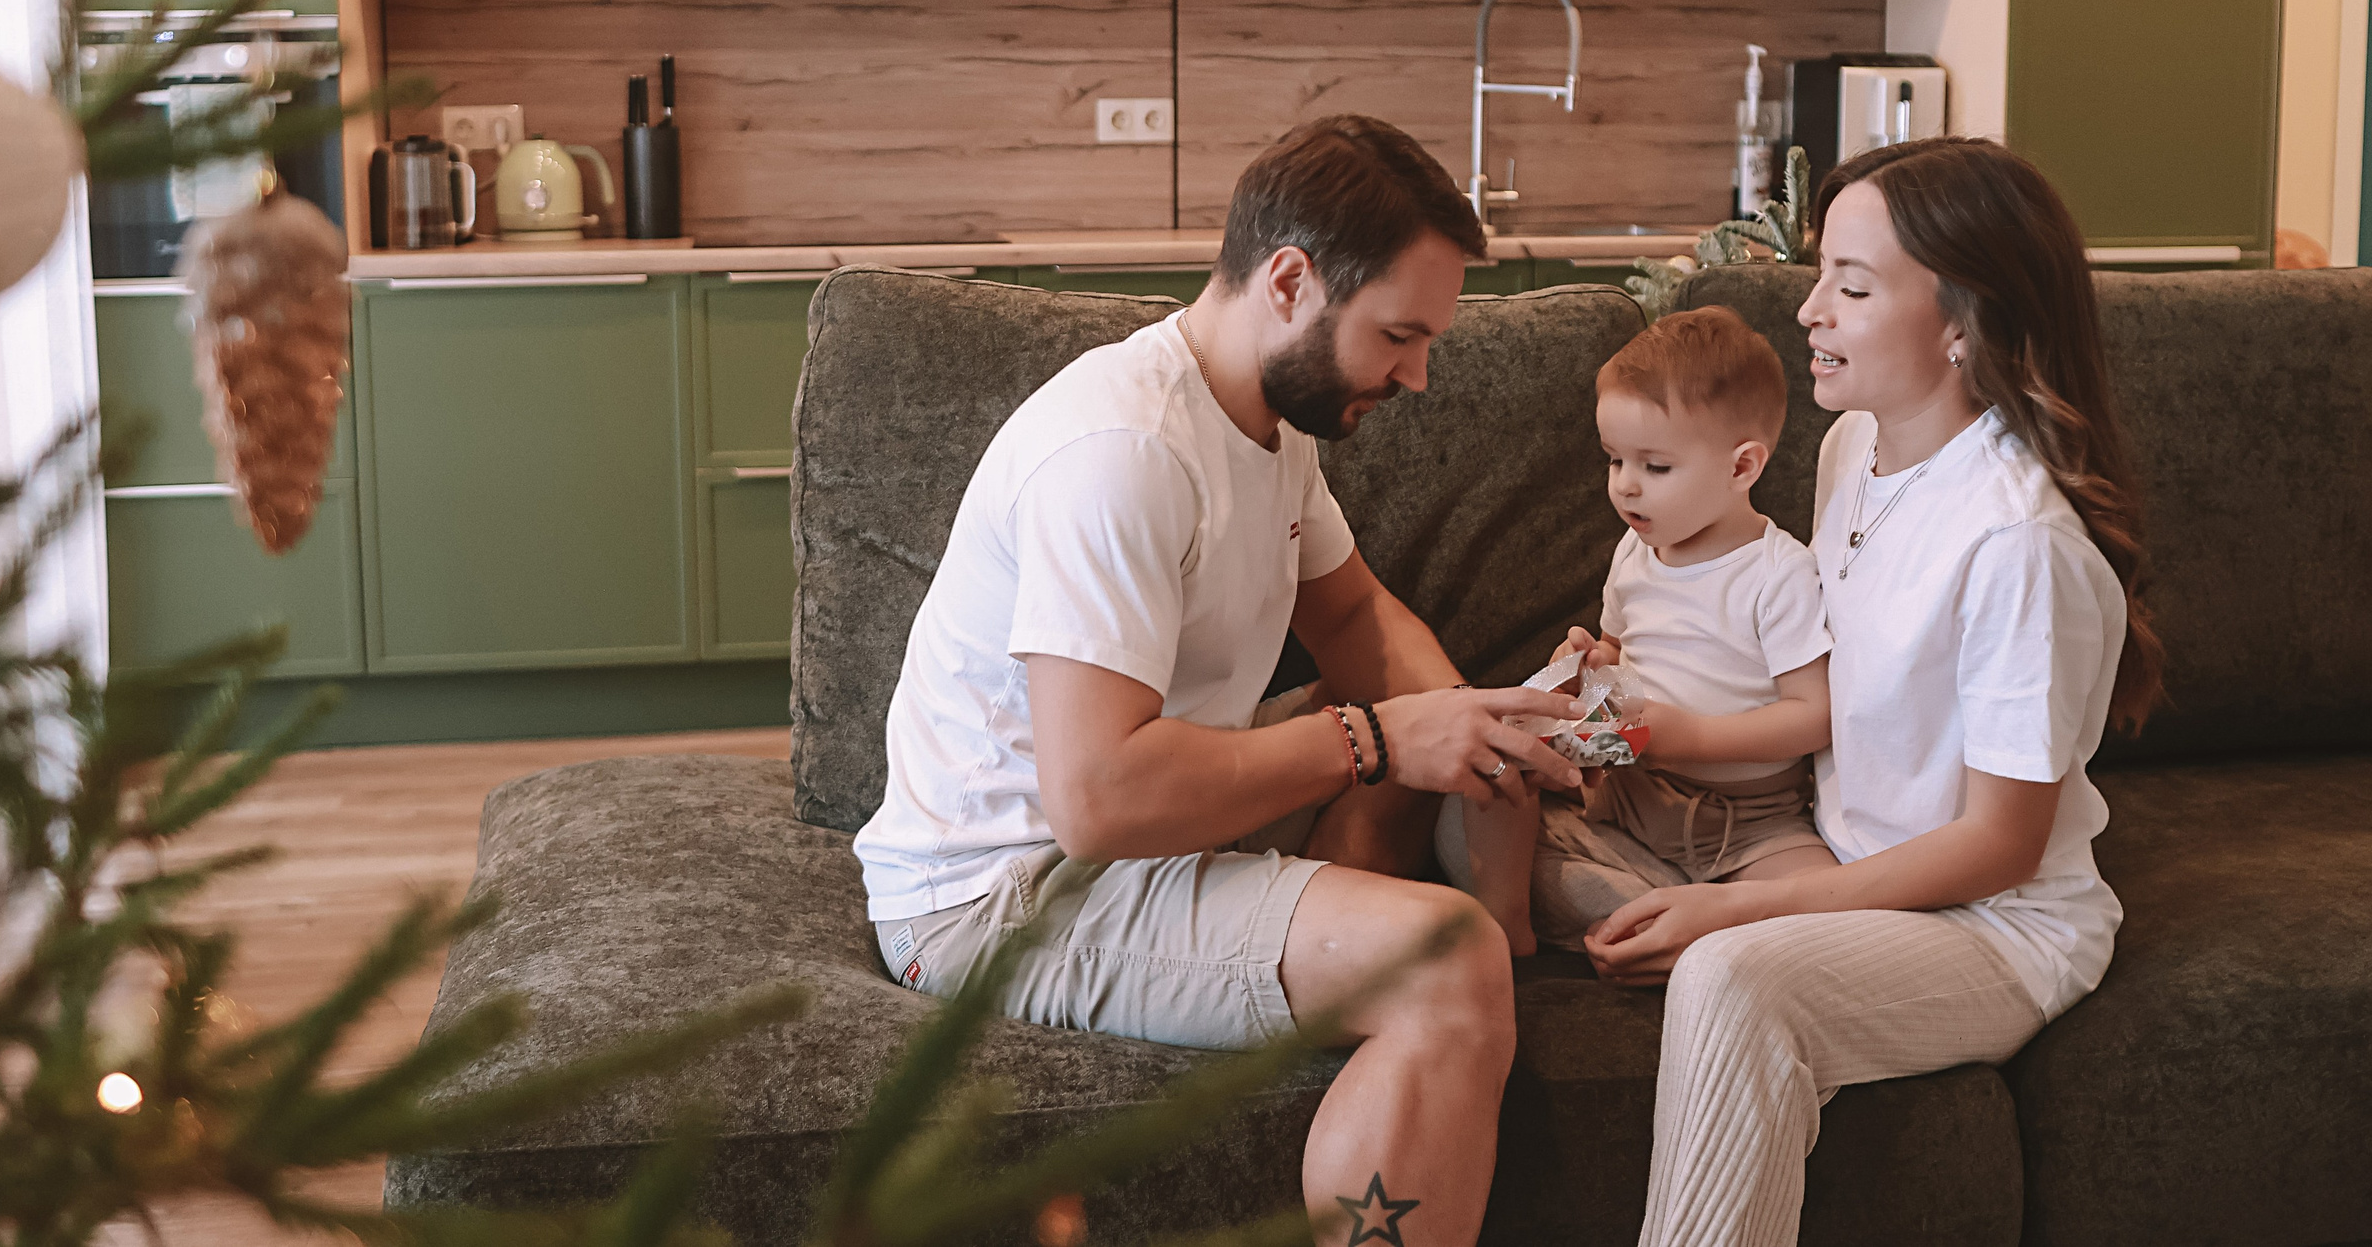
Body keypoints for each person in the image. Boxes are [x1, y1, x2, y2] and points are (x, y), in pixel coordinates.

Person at [852, 114, 1587, 1247]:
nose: (1419, 376)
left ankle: (1340, 932)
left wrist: (1475, 734)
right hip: (1002, 892)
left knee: (1395, 736)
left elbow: (1348, 611)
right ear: (1289, 281)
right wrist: (1386, 743)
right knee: (1454, 962)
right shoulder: (1125, 453)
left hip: (1132, 829)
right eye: (1398, 335)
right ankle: (1395, 971)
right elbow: (1097, 801)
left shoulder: (1263, 415)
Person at [1585, 137, 2166, 1247]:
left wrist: (1738, 908)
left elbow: (1998, 846)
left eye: (1850, 287)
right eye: (1822, 278)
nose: (1808, 311)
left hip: (1992, 924)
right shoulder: (1855, 446)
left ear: (1962, 324)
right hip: (1847, 857)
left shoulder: (2012, 544)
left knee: (1730, 978)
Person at [1435, 306, 1838, 956]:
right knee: (1490, 768)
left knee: (1821, 927)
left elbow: (1814, 715)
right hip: (1625, 780)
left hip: (1748, 822)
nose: (1624, 486)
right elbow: (1622, 650)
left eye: (1655, 466)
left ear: (1742, 468)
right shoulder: (1635, 550)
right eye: (1615, 459)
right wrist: (1591, 661)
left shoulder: (1776, 572)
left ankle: (1671, 922)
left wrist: (1696, 735)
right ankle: (1510, 928)